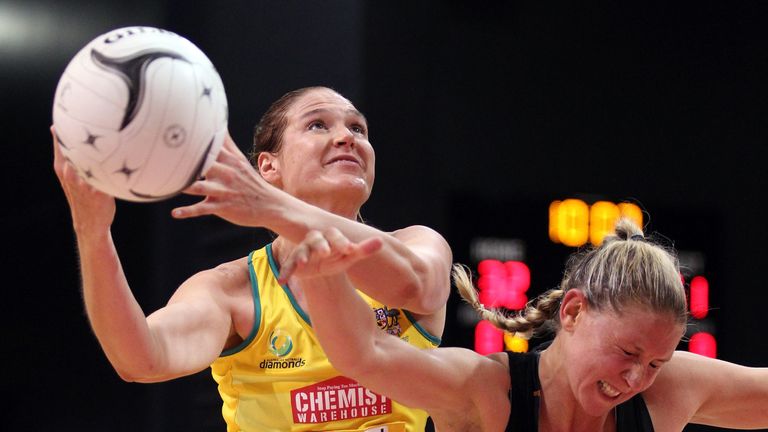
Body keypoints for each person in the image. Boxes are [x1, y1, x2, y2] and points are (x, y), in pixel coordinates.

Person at [52, 86, 453, 431]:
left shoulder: (419, 244)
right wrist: (93, 232)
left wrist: (270, 207)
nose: (347, 137)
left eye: (358, 128)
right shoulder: (231, 289)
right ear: (267, 166)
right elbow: (139, 359)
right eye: (318, 124)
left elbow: (413, 285)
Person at [281, 218, 768, 431]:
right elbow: (364, 354)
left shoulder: (665, 394)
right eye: (628, 354)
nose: (637, 379)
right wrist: (319, 268)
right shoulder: (485, 393)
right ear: (574, 311)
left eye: (658, 362)